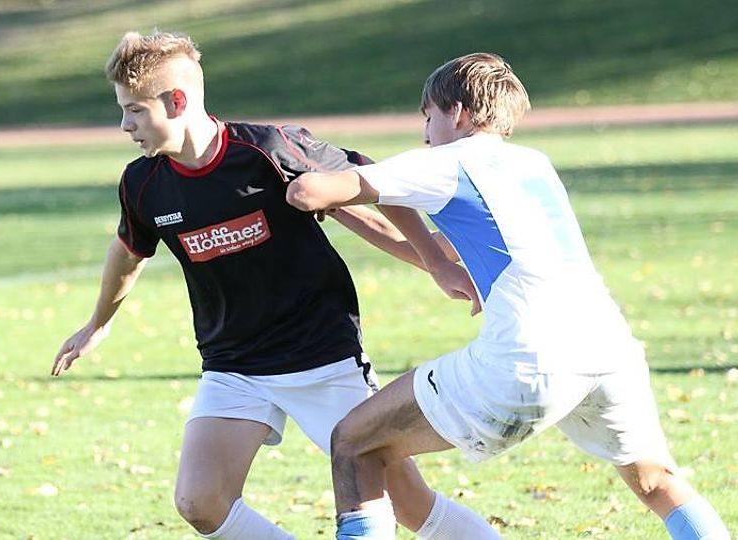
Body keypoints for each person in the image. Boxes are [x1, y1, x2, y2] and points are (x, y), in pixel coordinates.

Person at [286, 52, 732, 540]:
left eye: (428, 117)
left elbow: (307, 193)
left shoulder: (447, 160)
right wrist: (354, 216)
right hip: (609, 352)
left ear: (457, 112)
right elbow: (430, 246)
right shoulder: (533, 164)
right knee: (657, 482)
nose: (425, 133)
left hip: (528, 362)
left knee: (355, 443)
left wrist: (302, 169)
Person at [50, 30, 458, 539]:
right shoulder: (142, 183)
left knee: (410, 506)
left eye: (135, 110)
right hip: (233, 365)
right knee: (200, 501)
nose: (124, 125)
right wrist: (97, 323)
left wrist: (436, 263)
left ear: (176, 102)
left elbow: (372, 186)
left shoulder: (269, 149)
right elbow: (128, 252)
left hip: (321, 357)